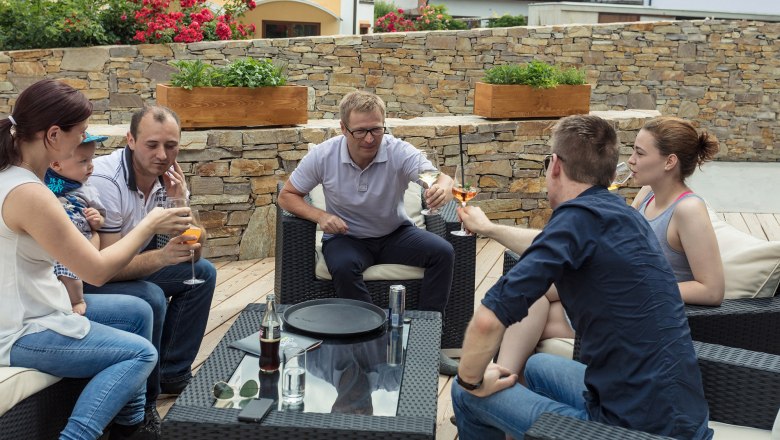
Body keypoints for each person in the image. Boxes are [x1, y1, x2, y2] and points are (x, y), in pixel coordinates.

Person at [452, 115, 713, 439]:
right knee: (536, 368)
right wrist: (490, 228)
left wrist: (470, 379)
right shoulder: (625, 216)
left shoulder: (578, 220)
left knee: (465, 395)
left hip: (631, 429)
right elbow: (551, 241)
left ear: (556, 166)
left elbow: (486, 323)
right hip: (683, 416)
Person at [0, 79, 191, 439]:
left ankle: (131, 425)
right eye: (82, 132)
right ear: (54, 135)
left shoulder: (16, 177)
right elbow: (98, 270)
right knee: (140, 354)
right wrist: (152, 221)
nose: (84, 142)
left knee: (137, 313)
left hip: (38, 309)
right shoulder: (28, 193)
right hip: (19, 329)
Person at [491, 116, 726, 378]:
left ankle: (498, 386)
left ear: (670, 161)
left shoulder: (688, 210)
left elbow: (712, 290)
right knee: (533, 291)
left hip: (643, 314)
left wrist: (642, 285)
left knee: (525, 313)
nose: (631, 161)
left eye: (639, 153)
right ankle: (503, 383)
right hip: (619, 296)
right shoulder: (646, 194)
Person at [277, 90, 459, 376]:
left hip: (394, 234)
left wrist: (444, 185)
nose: (370, 139)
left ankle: (428, 343)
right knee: (343, 266)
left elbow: (434, 177)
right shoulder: (324, 155)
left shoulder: (398, 151)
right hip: (346, 237)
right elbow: (287, 196)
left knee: (443, 252)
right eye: (360, 131)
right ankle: (372, 344)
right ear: (343, 128)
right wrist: (321, 216)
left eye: (376, 129)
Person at [85, 105, 216, 421]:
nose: (162, 154)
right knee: (151, 296)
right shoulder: (106, 180)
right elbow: (104, 268)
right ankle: (146, 402)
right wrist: (161, 257)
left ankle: (173, 371)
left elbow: (195, 249)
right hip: (86, 275)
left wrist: (180, 201)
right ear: (130, 139)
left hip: (125, 262)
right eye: (152, 144)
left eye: (171, 146)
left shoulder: (168, 179)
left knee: (204, 274)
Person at [45, 133, 108, 316]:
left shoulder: (87, 189)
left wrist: (96, 220)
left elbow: (101, 220)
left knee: (69, 272)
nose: (91, 165)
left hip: (81, 238)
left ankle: (77, 300)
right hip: (57, 239)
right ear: (57, 164)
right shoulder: (49, 185)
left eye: (91, 159)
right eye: (83, 161)